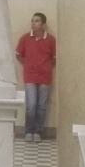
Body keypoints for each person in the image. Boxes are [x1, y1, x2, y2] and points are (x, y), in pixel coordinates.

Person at [15, 13, 56, 143]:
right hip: (30, 77)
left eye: (37, 21)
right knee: (31, 105)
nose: (33, 23)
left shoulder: (51, 40)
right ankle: (29, 131)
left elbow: (54, 58)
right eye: (32, 21)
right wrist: (27, 64)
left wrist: (46, 67)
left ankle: (38, 132)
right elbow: (18, 54)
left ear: (43, 24)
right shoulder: (25, 38)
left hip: (45, 77)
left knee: (42, 106)